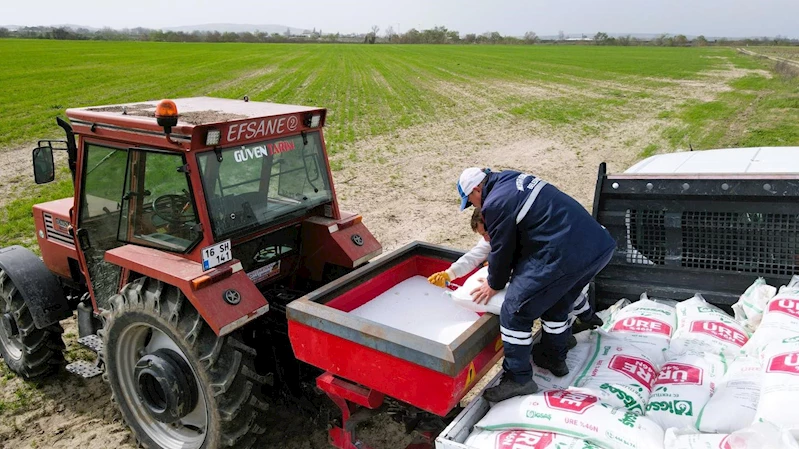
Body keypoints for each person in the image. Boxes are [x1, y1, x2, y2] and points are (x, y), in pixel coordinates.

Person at [457, 167, 615, 403]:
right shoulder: (511, 178)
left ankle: (518, 378)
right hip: (597, 246)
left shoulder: (495, 203)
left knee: (514, 311)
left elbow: (502, 250)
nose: (474, 206)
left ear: (477, 189)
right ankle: (555, 355)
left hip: (564, 253)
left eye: (470, 200)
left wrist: (494, 283)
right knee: (556, 299)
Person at [427, 209, 601, 348]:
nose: (487, 239)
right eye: (482, 236)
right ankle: (588, 319)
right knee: (570, 294)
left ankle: (564, 341)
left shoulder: (523, 231)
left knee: (559, 299)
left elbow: (532, 266)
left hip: (575, 259)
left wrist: (498, 279)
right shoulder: (497, 232)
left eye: (486, 233)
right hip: (580, 255)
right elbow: (476, 254)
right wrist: (450, 273)